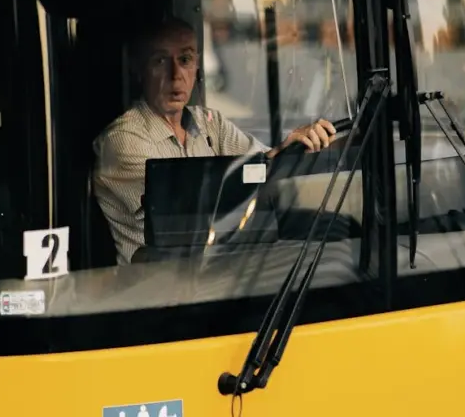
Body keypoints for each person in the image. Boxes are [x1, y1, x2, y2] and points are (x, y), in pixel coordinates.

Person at [93, 17, 338, 264]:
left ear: (197, 66)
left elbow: (259, 168)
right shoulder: (122, 141)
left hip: (217, 266)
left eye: (185, 60)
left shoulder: (209, 123)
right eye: (160, 60)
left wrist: (291, 145)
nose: (175, 75)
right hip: (157, 285)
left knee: (334, 228)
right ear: (139, 69)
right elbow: (187, 213)